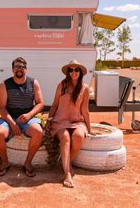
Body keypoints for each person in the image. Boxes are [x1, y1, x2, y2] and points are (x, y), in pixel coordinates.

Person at [0, 57, 44, 177]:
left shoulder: (34, 83)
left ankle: (27, 163)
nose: (19, 69)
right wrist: (12, 123)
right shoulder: (4, 84)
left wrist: (29, 115)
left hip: (29, 117)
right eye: (16, 66)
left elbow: (40, 103)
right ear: (12, 69)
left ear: (26, 69)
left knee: (38, 132)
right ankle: (5, 163)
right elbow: (1, 107)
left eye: (22, 66)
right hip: (9, 118)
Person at [46, 59, 92, 188]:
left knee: (78, 136)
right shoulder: (62, 85)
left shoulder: (85, 88)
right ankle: (67, 173)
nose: (73, 72)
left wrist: (89, 128)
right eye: (70, 70)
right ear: (68, 72)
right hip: (60, 121)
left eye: (76, 69)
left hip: (77, 121)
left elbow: (85, 110)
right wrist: (49, 121)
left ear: (80, 72)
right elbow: (55, 104)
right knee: (65, 137)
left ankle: (67, 161)